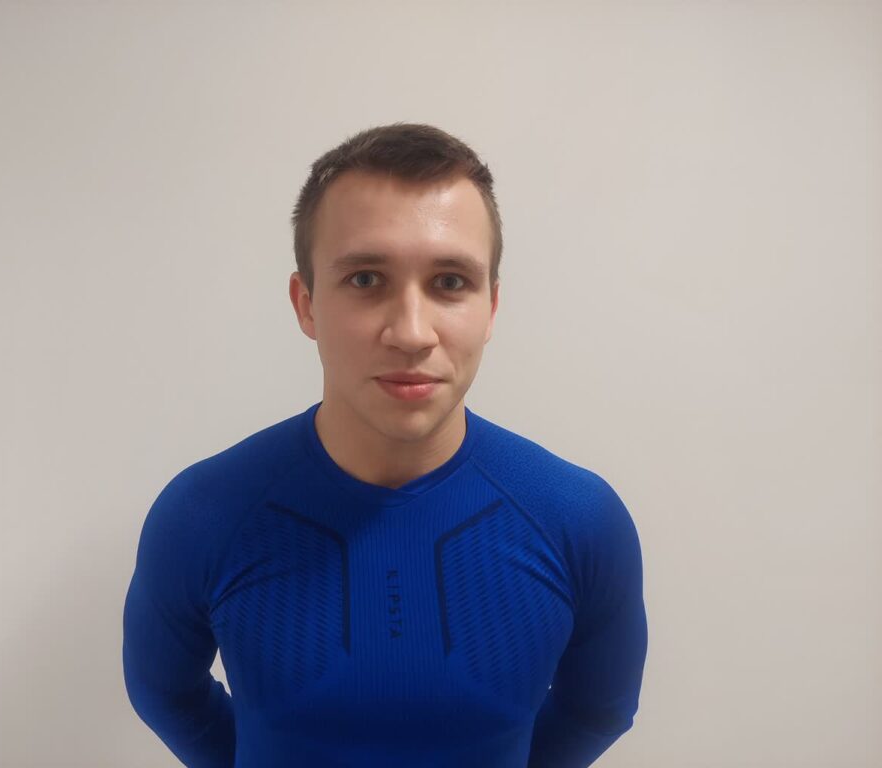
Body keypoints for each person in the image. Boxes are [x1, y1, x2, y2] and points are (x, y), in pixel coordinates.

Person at [122, 122, 648, 768]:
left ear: (491, 307)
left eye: (450, 281)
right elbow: (164, 694)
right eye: (367, 279)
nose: (411, 332)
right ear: (306, 304)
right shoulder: (203, 514)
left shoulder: (580, 520)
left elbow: (600, 710)